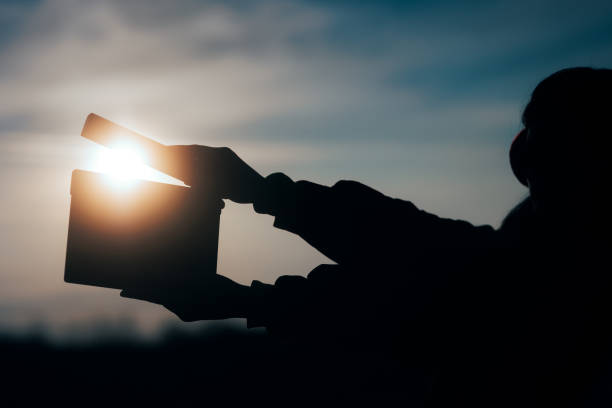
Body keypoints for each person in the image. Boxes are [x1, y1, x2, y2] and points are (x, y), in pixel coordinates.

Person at [121, 67, 612, 405]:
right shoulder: (535, 246)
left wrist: (251, 298)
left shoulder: (568, 275)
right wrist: (260, 194)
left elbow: (432, 300)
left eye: (562, 153)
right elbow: (435, 260)